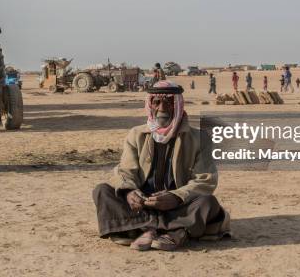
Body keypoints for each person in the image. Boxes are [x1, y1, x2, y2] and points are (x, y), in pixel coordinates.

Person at [92, 81, 230, 251]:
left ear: (178, 105)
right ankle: (171, 230)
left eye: (168, 102)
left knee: (208, 202)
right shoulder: (136, 134)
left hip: (179, 206)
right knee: (102, 191)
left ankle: (142, 229)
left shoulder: (199, 137)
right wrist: (129, 192)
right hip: (143, 204)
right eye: (157, 102)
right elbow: (125, 170)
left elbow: (206, 180)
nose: (162, 108)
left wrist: (176, 196)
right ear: (150, 104)